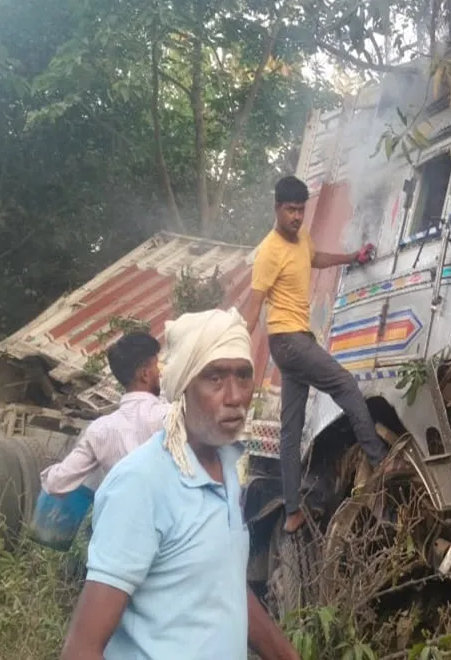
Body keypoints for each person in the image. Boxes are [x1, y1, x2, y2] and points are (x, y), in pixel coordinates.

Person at [61, 309, 299, 660]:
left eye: (243, 376)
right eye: (214, 378)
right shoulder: (141, 483)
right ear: (184, 387)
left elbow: (223, 585)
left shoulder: (227, 469)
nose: (234, 396)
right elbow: (81, 650)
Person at [240, 175, 388, 534]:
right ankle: (379, 460)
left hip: (293, 344)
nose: (296, 217)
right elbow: (254, 306)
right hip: (289, 341)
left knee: (291, 430)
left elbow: (314, 257)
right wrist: (235, 355)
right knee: (346, 385)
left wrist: (352, 256)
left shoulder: (301, 238)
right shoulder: (268, 253)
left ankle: (292, 512)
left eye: (301, 211)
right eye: (290, 210)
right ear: (277, 208)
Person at [41, 331, 169, 495]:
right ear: (145, 374)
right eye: (156, 366)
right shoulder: (169, 416)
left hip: (125, 517)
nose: (160, 373)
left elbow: (55, 483)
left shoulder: (99, 430)